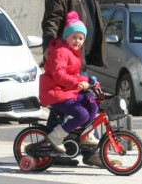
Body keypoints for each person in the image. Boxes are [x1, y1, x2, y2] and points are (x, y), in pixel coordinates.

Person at [41, 0, 104, 167]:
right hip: (65, 61)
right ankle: (53, 151)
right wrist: (49, 46)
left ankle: (76, 150)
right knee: (65, 106)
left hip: (80, 60)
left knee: (82, 105)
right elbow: (52, 20)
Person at [39, 12, 100, 153]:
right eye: (74, 37)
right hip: (54, 92)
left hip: (66, 91)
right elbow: (59, 75)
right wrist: (77, 84)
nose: (77, 41)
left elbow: (74, 74)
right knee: (82, 114)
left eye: (81, 38)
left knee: (92, 105)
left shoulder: (73, 53)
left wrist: (89, 81)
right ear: (66, 37)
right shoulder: (60, 52)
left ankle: (85, 134)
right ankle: (56, 137)